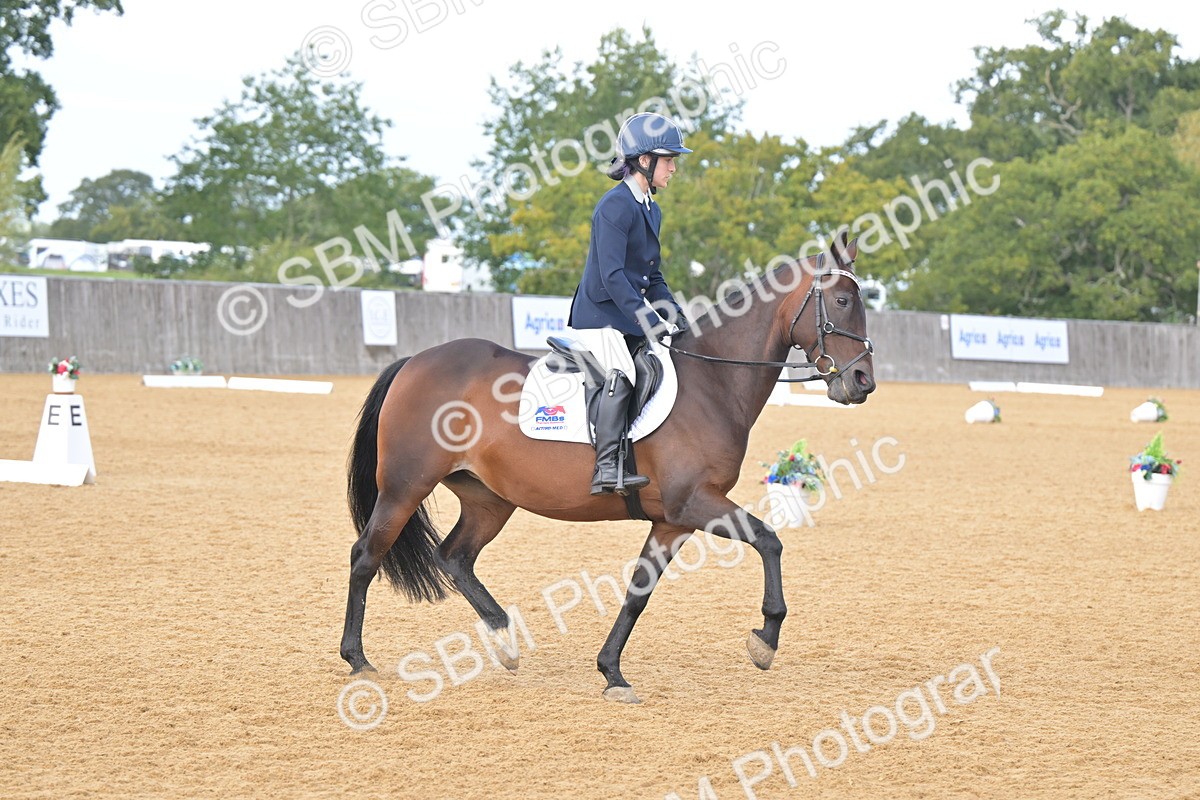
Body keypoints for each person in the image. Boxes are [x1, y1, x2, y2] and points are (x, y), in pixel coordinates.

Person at [567, 112, 691, 496]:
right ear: (643, 160)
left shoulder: (651, 209)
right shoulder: (614, 206)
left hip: (624, 317)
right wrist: (647, 322)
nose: (673, 167)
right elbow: (613, 277)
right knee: (622, 371)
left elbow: (652, 277)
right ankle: (606, 467)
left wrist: (676, 318)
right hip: (599, 317)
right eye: (668, 159)